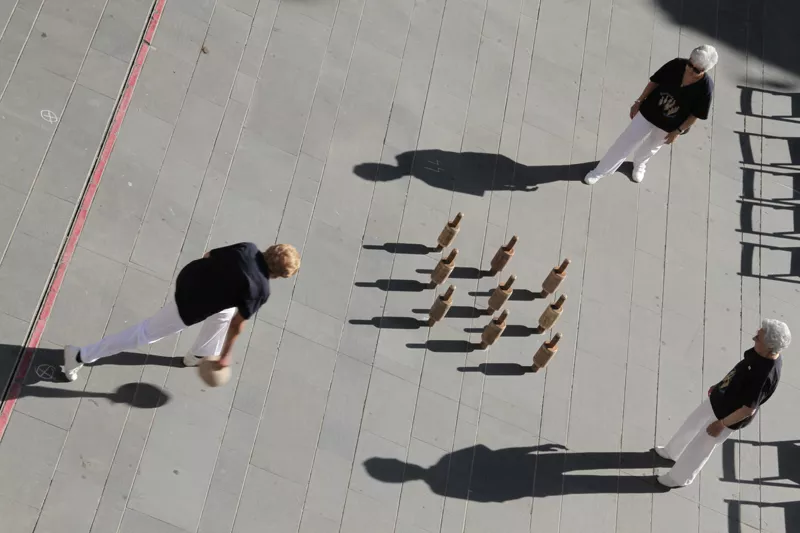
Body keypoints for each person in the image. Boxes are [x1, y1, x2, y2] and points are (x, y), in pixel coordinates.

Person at [62, 242, 301, 381]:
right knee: (144, 334)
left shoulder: (247, 248)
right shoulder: (260, 289)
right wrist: (226, 355)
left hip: (190, 278)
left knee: (224, 312)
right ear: (279, 275)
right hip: (190, 305)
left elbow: (209, 254)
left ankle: (198, 354)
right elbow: (239, 324)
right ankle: (81, 355)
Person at [654, 319, 790, 488]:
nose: (754, 338)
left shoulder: (765, 375)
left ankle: (679, 478)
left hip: (727, 415)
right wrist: (720, 386)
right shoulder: (761, 352)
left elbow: (748, 409)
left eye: (759, 337)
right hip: (720, 398)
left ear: (770, 347)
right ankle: (672, 451)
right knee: (692, 423)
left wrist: (722, 424)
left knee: (702, 446)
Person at [584, 44, 717, 185]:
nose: (691, 70)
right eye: (690, 64)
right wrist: (639, 101)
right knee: (626, 141)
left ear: (704, 71)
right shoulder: (677, 64)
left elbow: (695, 114)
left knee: (652, 147)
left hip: (670, 125)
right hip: (650, 110)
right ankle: (600, 171)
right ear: (689, 58)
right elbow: (655, 81)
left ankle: (640, 163)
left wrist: (677, 131)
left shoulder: (706, 88)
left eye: (696, 70)